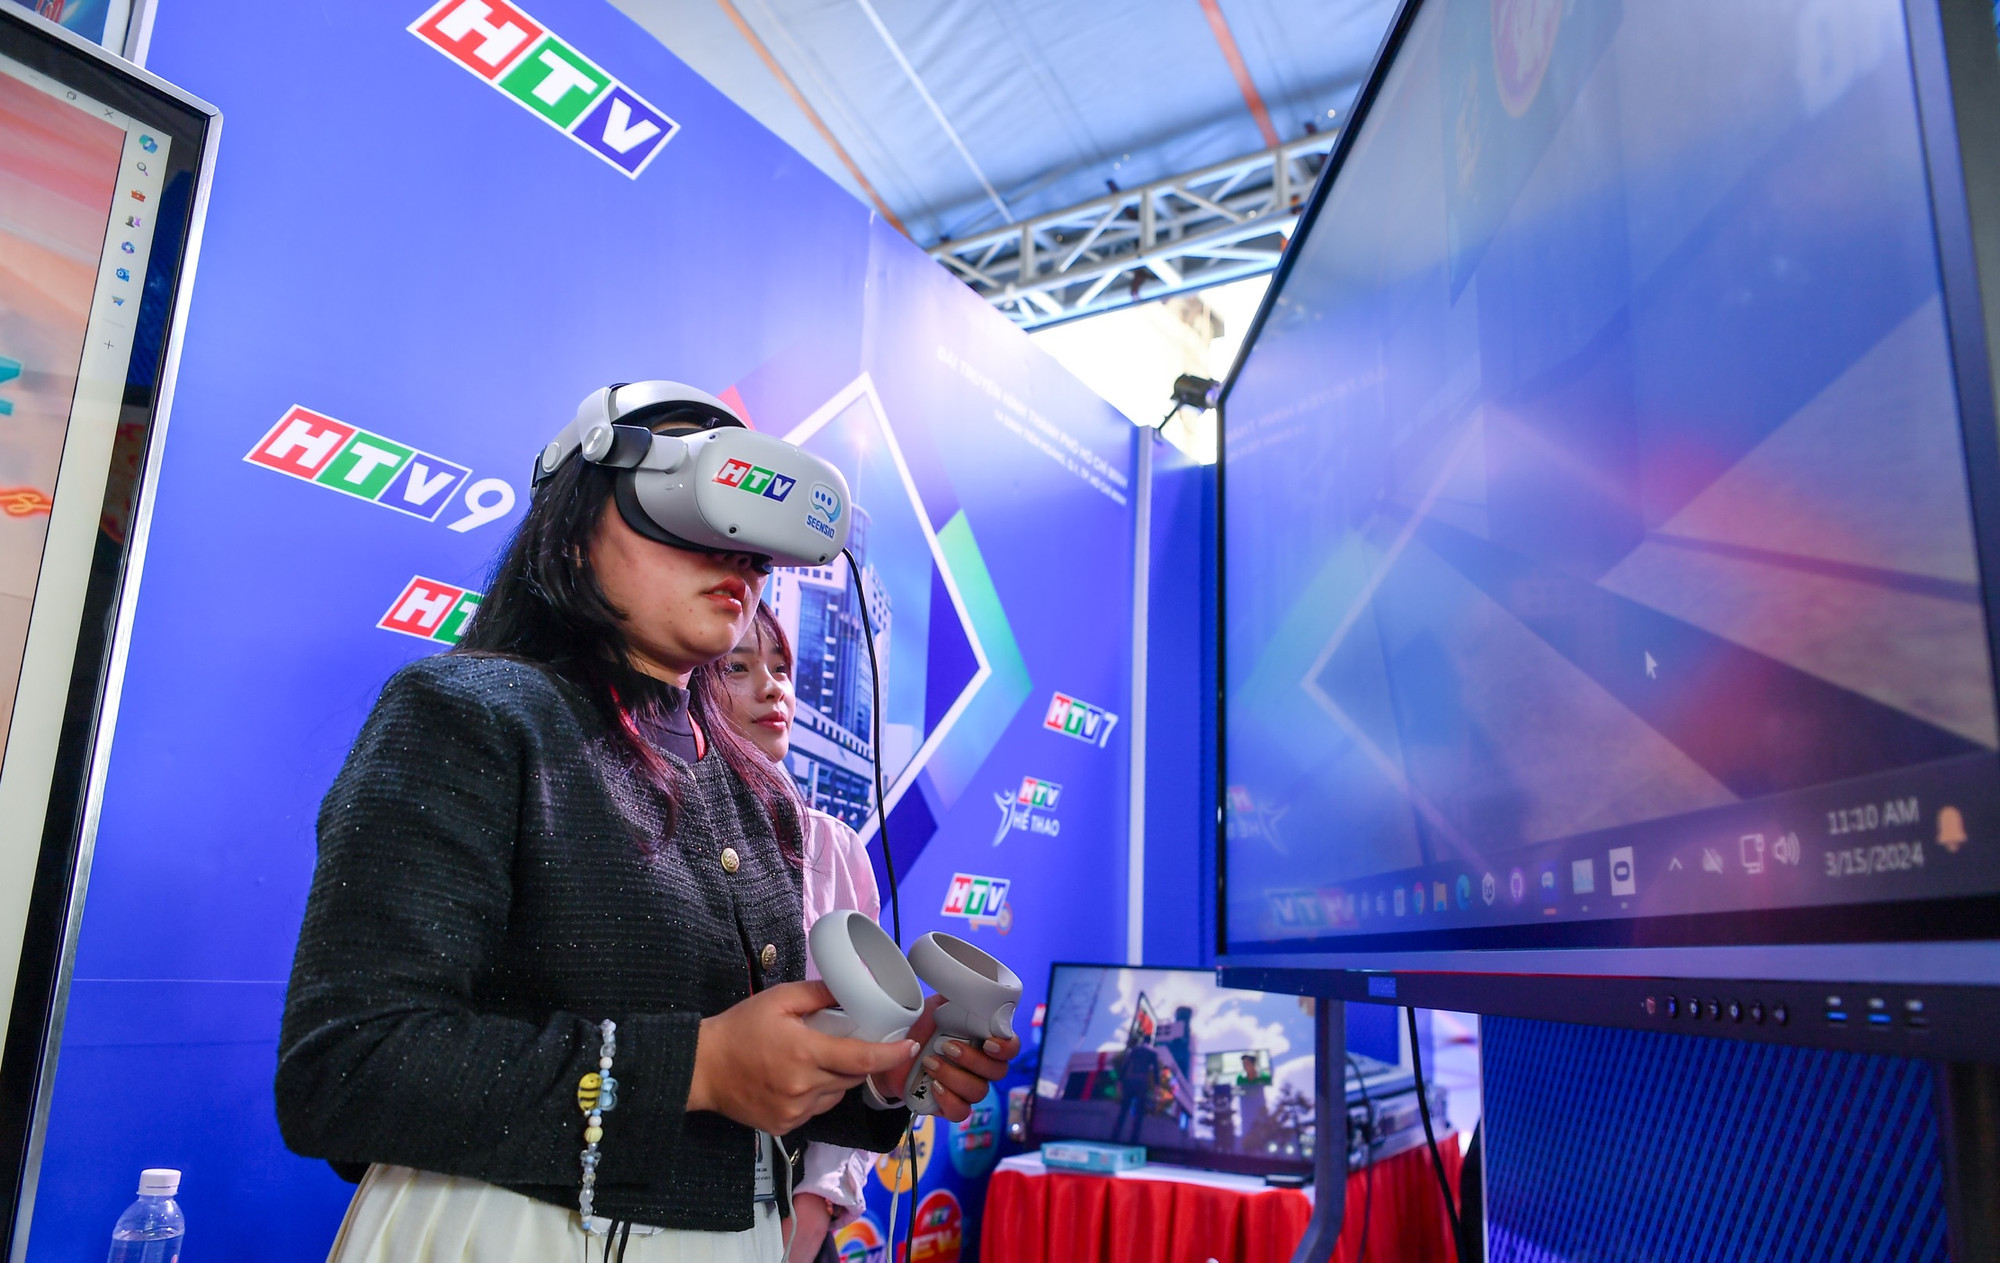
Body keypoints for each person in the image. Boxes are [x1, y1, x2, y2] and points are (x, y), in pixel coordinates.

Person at [275, 383, 1018, 1263]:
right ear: (575, 526)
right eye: (692, 514)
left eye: (754, 545)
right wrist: (697, 1067)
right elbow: (346, 1068)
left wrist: (875, 1071)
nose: (737, 559)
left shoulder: (758, 793)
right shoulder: (472, 714)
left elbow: (755, 1084)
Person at [692, 603, 881, 1263]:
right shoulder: (653, 825)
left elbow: (857, 1039)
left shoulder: (835, 847)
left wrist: (814, 1206)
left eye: (780, 669)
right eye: (738, 668)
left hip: (796, 1213)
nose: (773, 688)